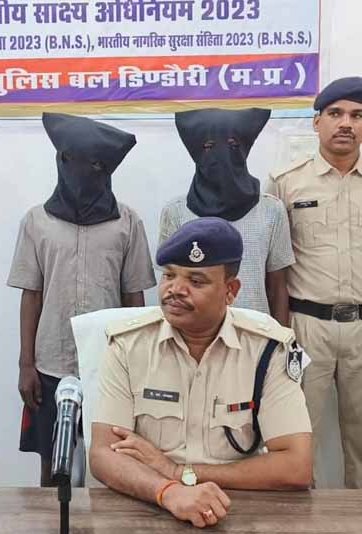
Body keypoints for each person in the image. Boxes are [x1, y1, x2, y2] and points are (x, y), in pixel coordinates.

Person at [90, 217, 313, 529]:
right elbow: (103, 454)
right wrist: (168, 491)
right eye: (169, 275)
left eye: (196, 281)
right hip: (149, 507)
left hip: (239, 510)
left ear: (230, 291)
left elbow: (296, 466)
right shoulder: (128, 345)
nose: (175, 290)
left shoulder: (268, 350)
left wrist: (179, 472)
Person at [266, 76, 362, 489]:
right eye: (335, 114)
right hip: (306, 327)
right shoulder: (284, 182)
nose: (346, 124)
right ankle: (302, 519)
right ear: (316, 122)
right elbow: (275, 270)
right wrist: (281, 337)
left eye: (356, 115)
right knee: (298, 440)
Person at [7, 112, 156, 486]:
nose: (81, 172)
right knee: (51, 461)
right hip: (50, 364)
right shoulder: (37, 221)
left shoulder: (127, 223)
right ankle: (51, 517)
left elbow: (134, 296)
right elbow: (31, 295)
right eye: (72, 161)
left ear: (106, 169)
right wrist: (26, 364)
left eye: (94, 165)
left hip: (110, 364)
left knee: (114, 461)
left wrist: (138, 364)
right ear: (61, 161)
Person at [158, 108, 294, 325]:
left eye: (232, 145)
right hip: (193, 333)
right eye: (209, 146)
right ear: (196, 151)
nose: (221, 154)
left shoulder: (271, 209)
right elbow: (170, 280)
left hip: (255, 333)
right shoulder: (176, 212)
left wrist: (281, 339)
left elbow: (277, 286)